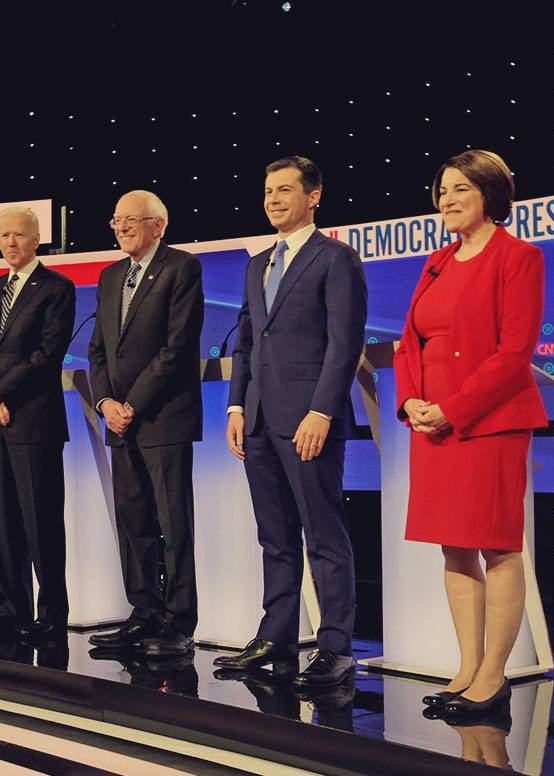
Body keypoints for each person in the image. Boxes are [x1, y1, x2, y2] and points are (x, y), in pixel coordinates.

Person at [394, 149, 547, 717]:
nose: (447, 200)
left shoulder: (519, 258)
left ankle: (493, 675)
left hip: (488, 425)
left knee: (498, 545)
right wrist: (411, 400)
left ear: (490, 195)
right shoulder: (435, 263)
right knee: (454, 547)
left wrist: (452, 408)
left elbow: (514, 354)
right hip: (431, 426)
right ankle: (466, 666)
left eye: (460, 189)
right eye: (442, 191)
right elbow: (411, 342)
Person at [219, 156, 367, 690]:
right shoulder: (257, 263)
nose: (274, 199)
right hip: (258, 420)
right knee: (275, 537)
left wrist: (322, 410)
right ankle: (276, 635)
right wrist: (236, 407)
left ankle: (335, 648)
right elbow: (244, 339)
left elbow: (344, 345)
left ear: (314, 196)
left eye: (285, 190)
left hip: (309, 421)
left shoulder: (336, 260)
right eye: (267, 190)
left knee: (324, 536)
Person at [87, 190, 204, 657]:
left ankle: (178, 624)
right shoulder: (110, 276)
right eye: (115, 220)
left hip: (163, 418)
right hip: (120, 421)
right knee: (133, 522)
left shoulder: (181, 267)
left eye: (131, 220)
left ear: (159, 224)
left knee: (174, 525)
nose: (121, 228)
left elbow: (176, 348)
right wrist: (104, 403)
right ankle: (144, 613)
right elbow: (97, 350)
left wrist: (130, 403)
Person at [0, 206, 76, 639]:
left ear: (36, 239)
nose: (10, 243)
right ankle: (8, 608)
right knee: (3, 522)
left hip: (34, 423)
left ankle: (50, 616)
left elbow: (46, 357)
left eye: (18, 235)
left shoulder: (56, 289)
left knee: (40, 521)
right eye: (3, 236)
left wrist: (0, 392)